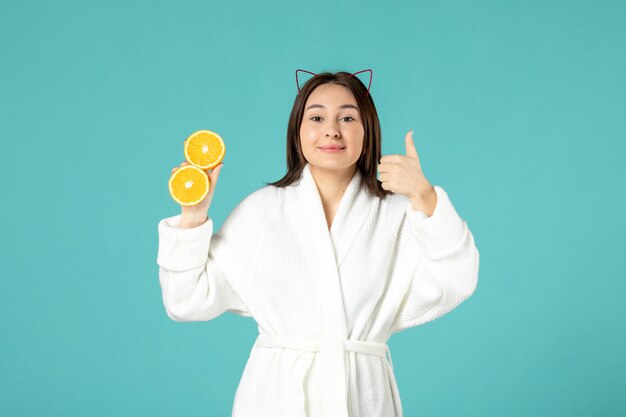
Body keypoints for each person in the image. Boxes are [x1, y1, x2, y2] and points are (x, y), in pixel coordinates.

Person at [156, 69, 480, 417]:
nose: (332, 129)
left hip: (362, 398)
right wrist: (192, 216)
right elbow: (184, 300)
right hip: (276, 399)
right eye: (316, 117)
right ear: (297, 132)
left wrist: (425, 196)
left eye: (347, 117)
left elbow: (455, 279)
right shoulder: (262, 211)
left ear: (367, 131)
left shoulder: (397, 214)